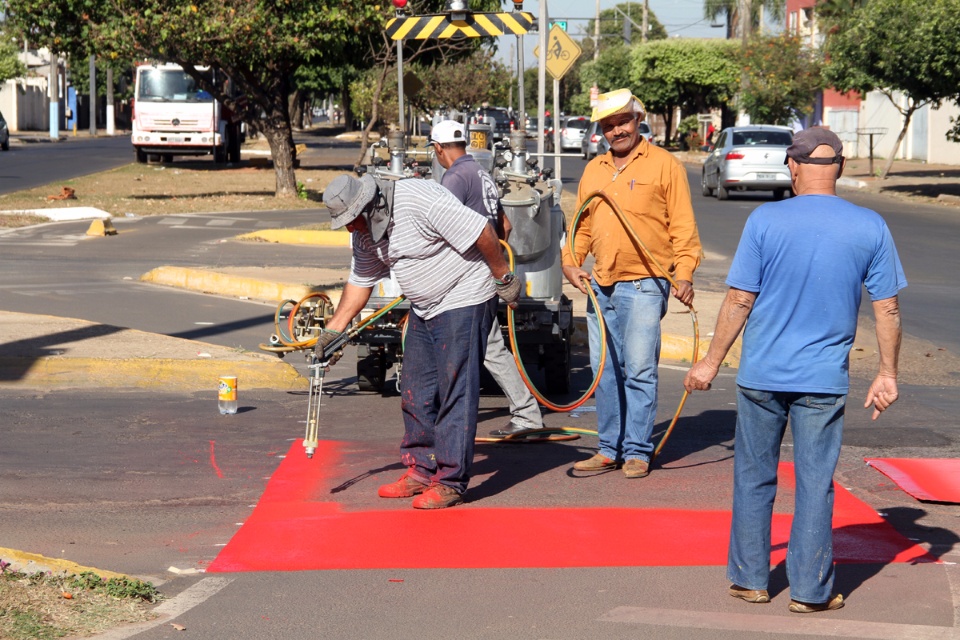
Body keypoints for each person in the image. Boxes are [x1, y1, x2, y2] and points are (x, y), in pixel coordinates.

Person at [683, 127, 906, 613]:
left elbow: (741, 298)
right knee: (814, 482)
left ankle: (750, 580)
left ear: (793, 167)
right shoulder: (870, 225)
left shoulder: (765, 221)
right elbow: (885, 308)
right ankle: (809, 591)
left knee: (754, 475)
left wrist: (709, 361)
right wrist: (886, 373)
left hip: (762, 375)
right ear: (842, 168)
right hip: (823, 381)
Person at [318, 172, 521, 509]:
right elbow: (361, 280)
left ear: (370, 205)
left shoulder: (418, 199)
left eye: (352, 220)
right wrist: (334, 330)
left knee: (455, 388)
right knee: (415, 388)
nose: (351, 229)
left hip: (465, 295)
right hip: (424, 307)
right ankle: (420, 469)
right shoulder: (365, 233)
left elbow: (482, 231)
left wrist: (503, 276)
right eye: (345, 223)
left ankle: (451, 480)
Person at [561, 88, 702, 479]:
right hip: (599, 285)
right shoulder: (594, 170)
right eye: (609, 125)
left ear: (638, 119)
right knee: (604, 371)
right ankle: (609, 448)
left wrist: (685, 273)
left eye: (623, 121)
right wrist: (571, 264)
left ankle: (638, 450)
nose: (617, 130)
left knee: (638, 370)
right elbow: (581, 227)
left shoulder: (664, 165)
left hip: (644, 285)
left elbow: (684, 228)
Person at [428, 119, 544, 438]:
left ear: (438, 148)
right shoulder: (484, 175)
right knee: (484, 345)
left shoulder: (455, 176)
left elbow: (442, 226)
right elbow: (504, 226)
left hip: (467, 277)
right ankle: (454, 410)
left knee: (483, 346)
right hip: (485, 271)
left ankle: (525, 413)